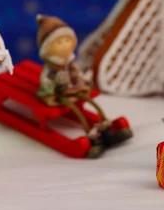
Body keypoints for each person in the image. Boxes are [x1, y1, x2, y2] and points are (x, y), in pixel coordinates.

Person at [36, 14, 132, 158]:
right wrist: (53, 91)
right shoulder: (51, 67)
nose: (65, 45)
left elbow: (77, 76)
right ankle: (91, 136)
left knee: (90, 102)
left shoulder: (69, 63)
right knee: (75, 109)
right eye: (59, 42)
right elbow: (46, 81)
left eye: (67, 40)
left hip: (72, 90)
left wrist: (81, 83)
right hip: (58, 95)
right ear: (47, 48)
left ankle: (106, 125)